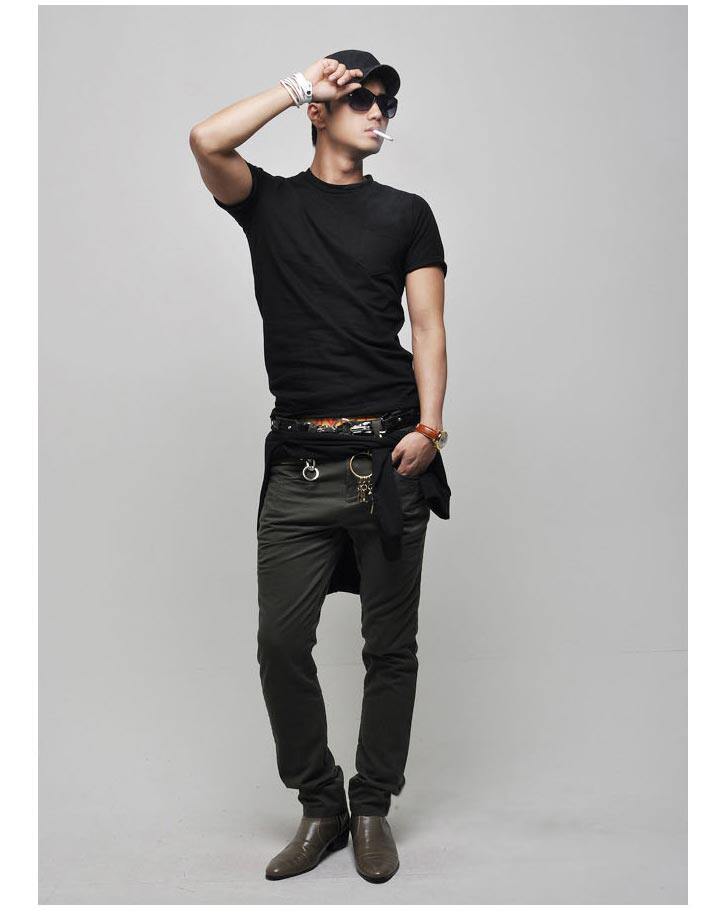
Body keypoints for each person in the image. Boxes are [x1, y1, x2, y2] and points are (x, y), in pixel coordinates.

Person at [189, 50, 451, 884]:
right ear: (321, 111)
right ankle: (320, 805)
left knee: (390, 648)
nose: (378, 113)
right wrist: (300, 83)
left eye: (387, 104)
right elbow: (206, 140)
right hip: (300, 466)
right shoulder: (270, 204)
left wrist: (431, 427)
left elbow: (428, 327)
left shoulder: (406, 213)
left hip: (389, 458)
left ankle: (372, 808)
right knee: (280, 643)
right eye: (362, 98)